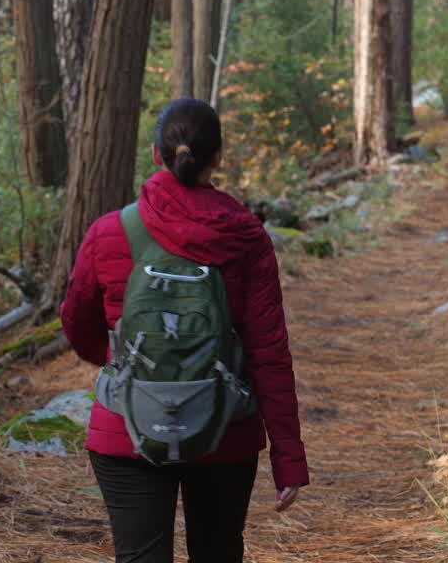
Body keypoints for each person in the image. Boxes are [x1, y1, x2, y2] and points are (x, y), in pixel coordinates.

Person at [61, 98, 309, 563]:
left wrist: (124, 363)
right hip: (224, 431)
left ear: (157, 154)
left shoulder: (109, 232)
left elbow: (76, 326)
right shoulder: (245, 238)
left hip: (126, 427)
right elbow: (268, 353)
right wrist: (288, 457)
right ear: (217, 157)